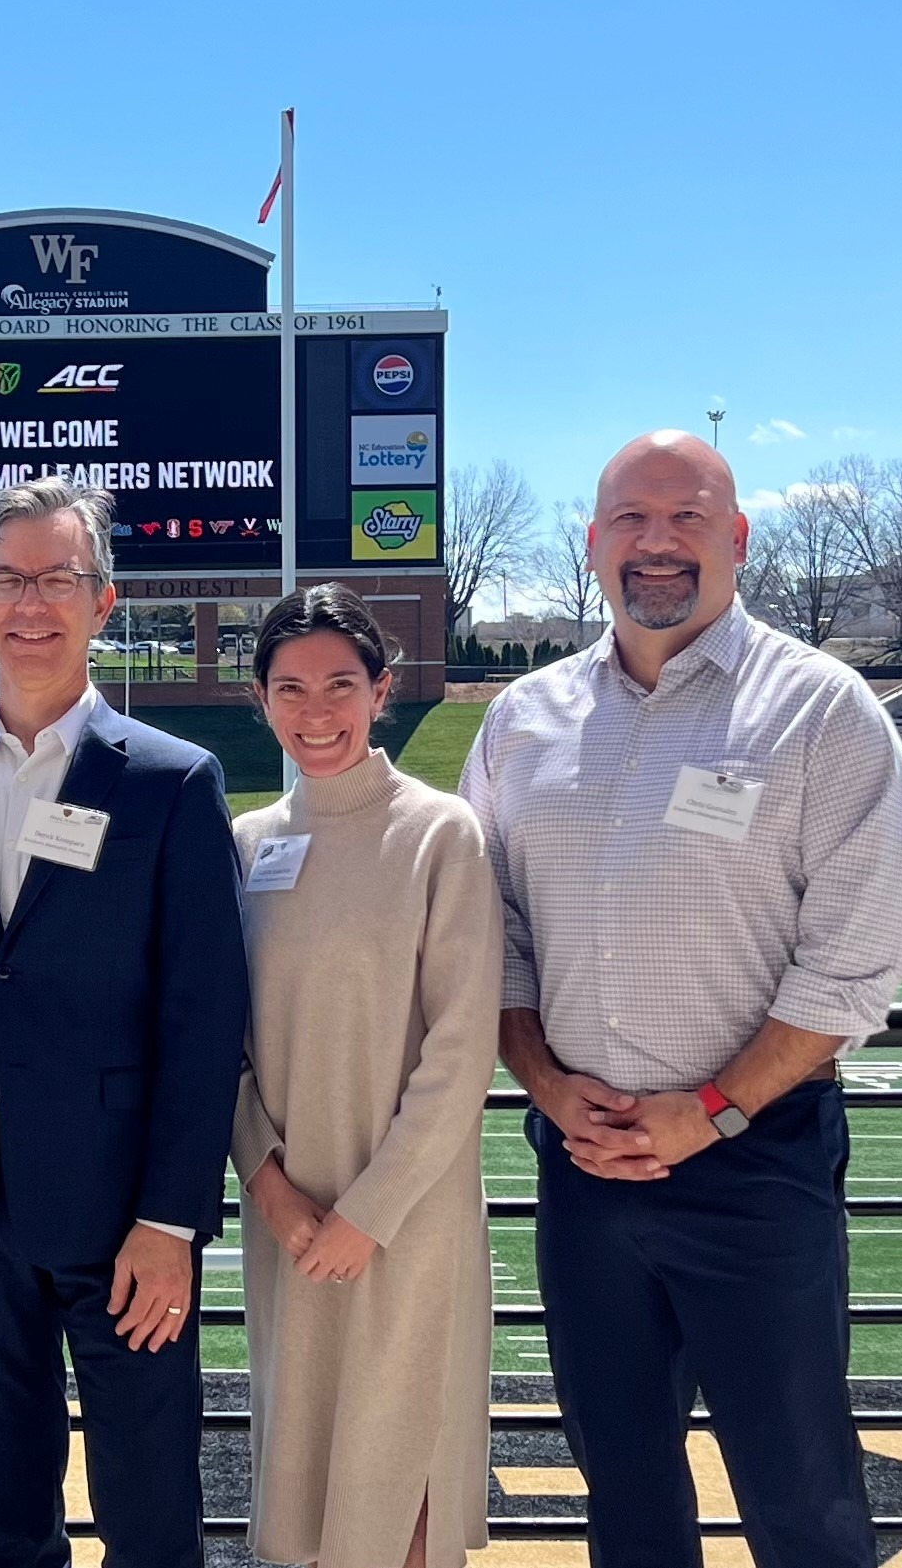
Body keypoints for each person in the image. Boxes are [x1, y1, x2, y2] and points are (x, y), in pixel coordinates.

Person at [458, 431, 902, 1568]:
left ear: (736, 538)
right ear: (592, 543)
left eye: (685, 517)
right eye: (630, 518)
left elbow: (854, 958)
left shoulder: (820, 711)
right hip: (579, 1163)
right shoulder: (523, 720)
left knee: (799, 1490)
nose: (655, 543)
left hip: (752, 1161)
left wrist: (710, 1108)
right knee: (620, 1486)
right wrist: (550, 1087)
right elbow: (491, 935)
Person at [0, 476, 250, 1568]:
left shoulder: (172, 784)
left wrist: (172, 1221)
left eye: (56, 577)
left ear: (102, 601)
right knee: (10, 1523)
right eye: (7, 579)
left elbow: (204, 1018)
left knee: (152, 1515)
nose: (31, 603)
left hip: (126, 1224)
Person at [231, 584, 499, 1568]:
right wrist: (271, 1191)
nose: (315, 711)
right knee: (301, 1493)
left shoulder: (440, 835)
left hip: (406, 1224)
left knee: (401, 1494)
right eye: (289, 688)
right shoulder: (246, 845)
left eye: (339, 685)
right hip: (289, 1224)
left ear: (380, 691)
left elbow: (461, 1047)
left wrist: (365, 1214)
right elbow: (225, 1049)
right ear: (258, 699)